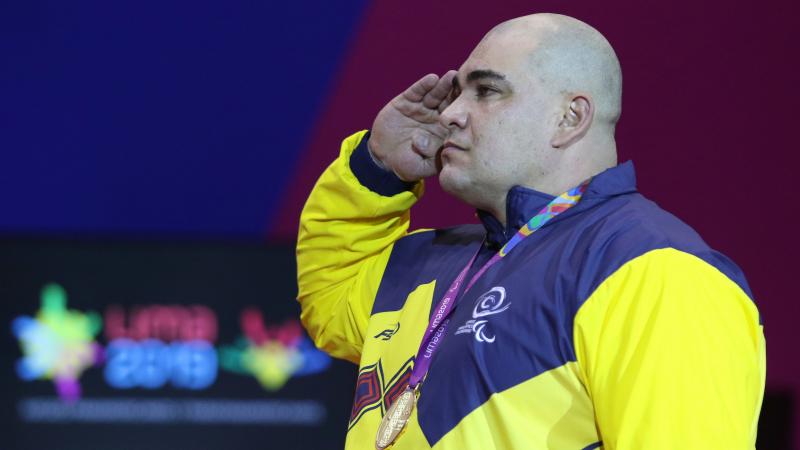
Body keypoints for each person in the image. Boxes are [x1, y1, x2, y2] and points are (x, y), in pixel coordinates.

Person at [296, 13, 765, 450]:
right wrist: (377, 170)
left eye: (485, 92)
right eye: (457, 92)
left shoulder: (655, 272)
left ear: (570, 118)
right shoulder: (434, 259)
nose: (449, 114)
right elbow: (331, 299)